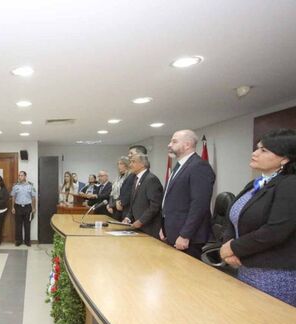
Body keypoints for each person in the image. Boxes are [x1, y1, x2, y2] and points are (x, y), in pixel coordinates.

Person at [220, 129, 296, 306]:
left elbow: (275, 231)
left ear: (284, 159)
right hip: (244, 266)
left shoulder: (290, 184)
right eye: (257, 148)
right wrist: (229, 246)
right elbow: (233, 217)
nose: (255, 153)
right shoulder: (255, 184)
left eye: (264, 150)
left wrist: (232, 247)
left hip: (273, 274)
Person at [160, 130, 215, 259]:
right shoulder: (179, 166)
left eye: (174, 141)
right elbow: (170, 200)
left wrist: (185, 235)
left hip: (188, 237)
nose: (169, 145)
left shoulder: (199, 166)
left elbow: (199, 204)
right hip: (172, 231)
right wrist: (163, 226)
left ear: (187, 145)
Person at [123, 154, 163, 238]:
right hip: (137, 226)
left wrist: (141, 221)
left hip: (149, 227)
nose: (130, 165)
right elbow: (133, 202)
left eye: (133, 162)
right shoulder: (136, 179)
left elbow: (155, 206)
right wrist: (128, 218)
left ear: (142, 164)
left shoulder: (151, 179)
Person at [11, 171, 36, 247]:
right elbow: (13, 197)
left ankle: (27, 241)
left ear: (25, 176)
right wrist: (12, 207)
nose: (20, 177)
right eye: (19, 175)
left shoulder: (30, 186)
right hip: (18, 207)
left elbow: (33, 197)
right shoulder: (15, 186)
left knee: (27, 225)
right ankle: (18, 241)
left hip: (27, 207)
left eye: (21, 175)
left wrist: (34, 208)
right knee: (18, 225)